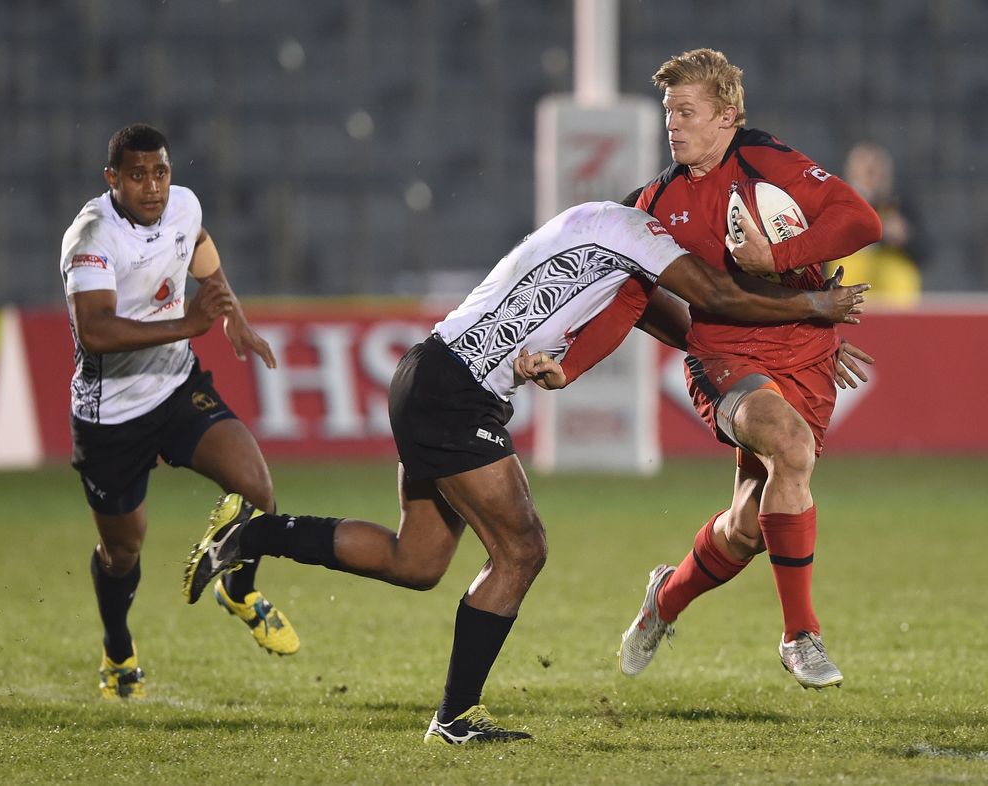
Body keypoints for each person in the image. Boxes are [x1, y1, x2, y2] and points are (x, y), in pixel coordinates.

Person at [180, 198, 868, 744]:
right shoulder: (641, 233)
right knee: (522, 548)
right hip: (456, 392)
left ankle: (252, 535)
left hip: (428, 374)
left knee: (416, 560)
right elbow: (716, 297)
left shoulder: (605, 235)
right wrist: (809, 311)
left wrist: (783, 347)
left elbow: (685, 321)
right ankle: (454, 718)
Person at [561, 48, 881, 690]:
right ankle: (801, 636)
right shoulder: (654, 201)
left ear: (728, 115)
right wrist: (568, 368)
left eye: (687, 111)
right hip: (725, 360)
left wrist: (782, 261)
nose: (673, 125)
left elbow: (859, 220)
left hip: (808, 357)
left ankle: (664, 600)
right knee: (791, 450)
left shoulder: (768, 162)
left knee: (747, 525)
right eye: (668, 113)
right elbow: (631, 295)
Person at [60, 124, 300, 700]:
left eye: (161, 173)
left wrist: (231, 312)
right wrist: (190, 324)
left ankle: (238, 590)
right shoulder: (91, 235)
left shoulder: (184, 206)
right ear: (111, 179)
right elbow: (93, 330)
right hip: (110, 415)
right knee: (123, 552)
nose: (153, 187)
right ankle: (118, 652)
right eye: (137, 175)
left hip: (174, 387)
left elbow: (199, 248)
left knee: (258, 490)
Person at [832, 141, 924, 305]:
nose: (871, 177)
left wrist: (905, 238)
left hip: (896, 305)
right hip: (844, 304)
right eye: (866, 171)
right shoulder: (834, 207)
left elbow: (926, 251)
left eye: (876, 171)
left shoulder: (901, 206)